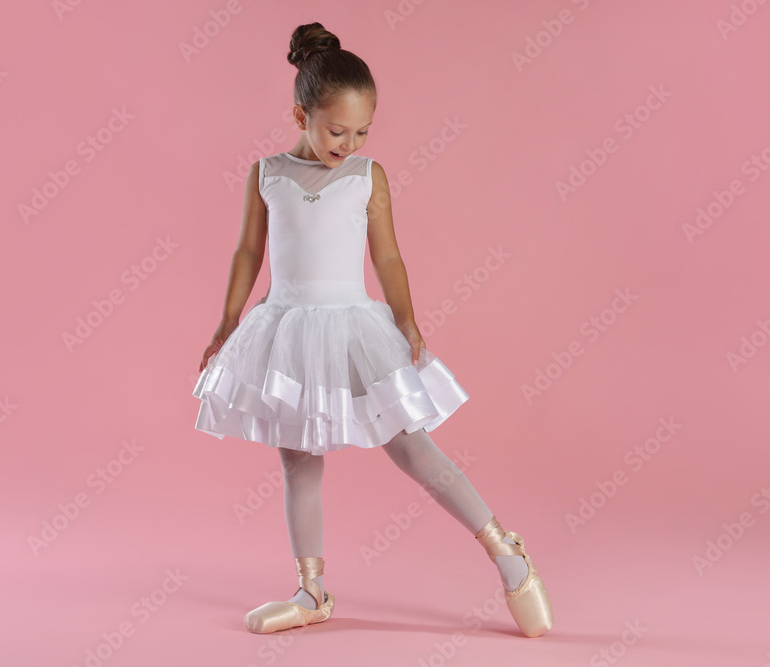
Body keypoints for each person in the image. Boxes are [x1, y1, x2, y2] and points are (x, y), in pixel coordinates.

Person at [193, 21, 553, 638]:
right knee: (298, 459)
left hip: (354, 327)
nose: (350, 142)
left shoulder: (367, 177)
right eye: (337, 130)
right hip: (287, 329)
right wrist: (226, 325)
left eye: (362, 131)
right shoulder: (268, 174)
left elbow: (387, 256)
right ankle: (311, 591)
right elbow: (248, 255)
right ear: (300, 114)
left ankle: (506, 550)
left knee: (411, 445)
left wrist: (406, 319)